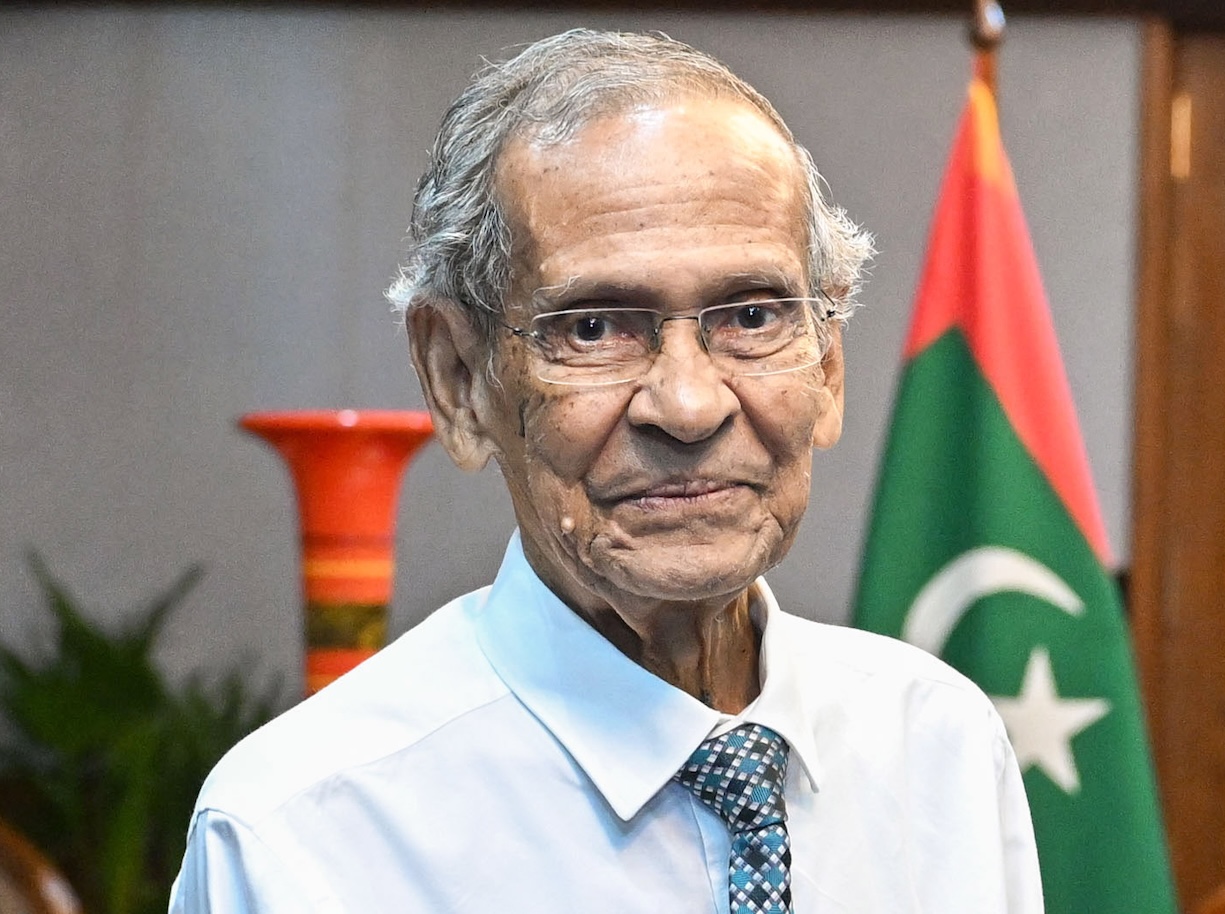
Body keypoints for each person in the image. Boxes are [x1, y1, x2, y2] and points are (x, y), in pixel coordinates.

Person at [169, 28, 1043, 914]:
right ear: (459, 380)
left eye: (751, 316)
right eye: (593, 328)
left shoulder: (942, 750)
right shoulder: (304, 839)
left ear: (828, 365)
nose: (689, 406)